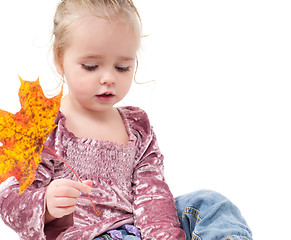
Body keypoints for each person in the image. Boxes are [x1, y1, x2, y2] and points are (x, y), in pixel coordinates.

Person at [0, 0, 252, 239]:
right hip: (83, 234)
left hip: (138, 228)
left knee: (208, 204)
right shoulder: (45, 128)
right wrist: (46, 204)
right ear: (59, 58)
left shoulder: (137, 126)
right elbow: (10, 203)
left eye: (122, 67)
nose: (108, 78)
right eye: (90, 66)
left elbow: (153, 196)